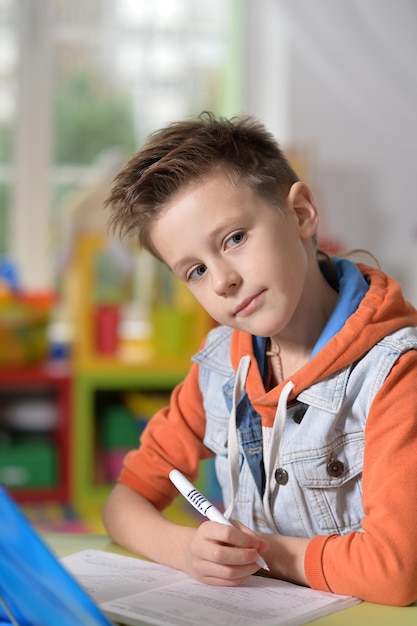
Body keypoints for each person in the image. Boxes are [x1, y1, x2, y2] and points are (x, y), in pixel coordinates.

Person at [102, 111, 417, 606]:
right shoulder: (220, 368)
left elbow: (393, 572)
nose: (223, 279)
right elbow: (123, 504)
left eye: (234, 239)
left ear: (301, 214)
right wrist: (188, 550)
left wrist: (256, 553)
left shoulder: (395, 374)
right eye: (196, 270)